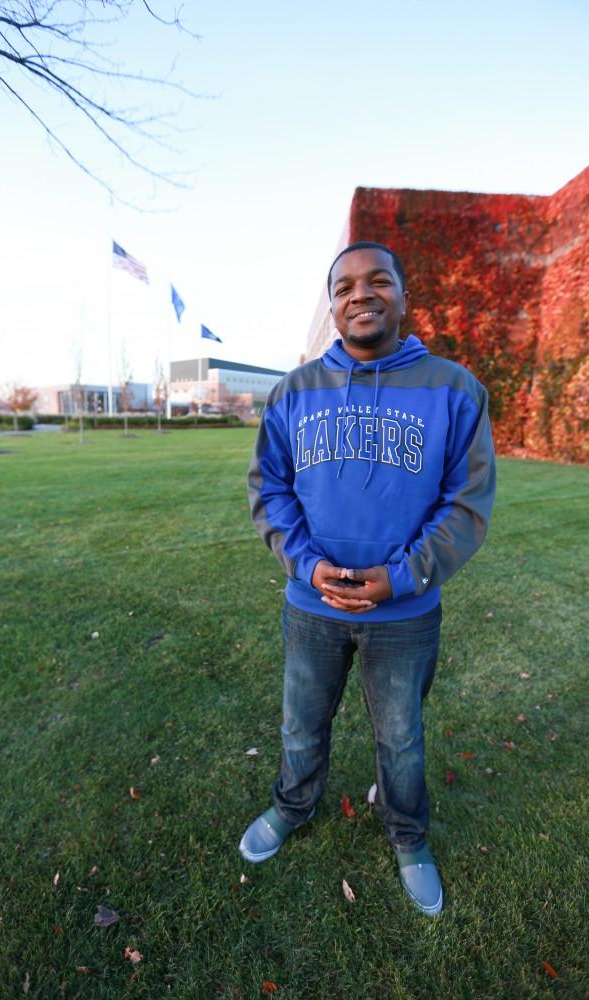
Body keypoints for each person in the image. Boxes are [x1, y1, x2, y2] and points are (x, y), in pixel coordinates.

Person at [240, 241, 496, 916]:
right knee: (300, 727)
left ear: (402, 296)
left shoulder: (452, 387)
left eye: (376, 280)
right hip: (312, 606)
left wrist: (401, 577)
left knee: (402, 739)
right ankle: (291, 807)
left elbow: (465, 503)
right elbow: (269, 489)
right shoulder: (293, 391)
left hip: (403, 615)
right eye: (344, 286)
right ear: (333, 304)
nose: (360, 293)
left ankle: (409, 838)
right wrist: (305, 563)